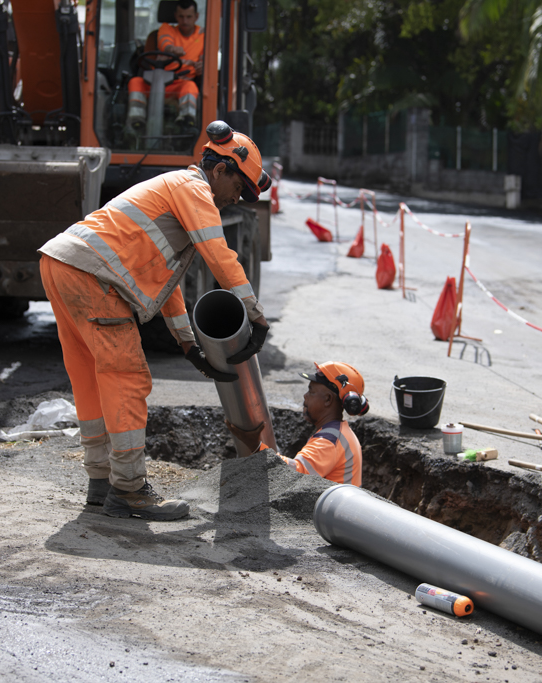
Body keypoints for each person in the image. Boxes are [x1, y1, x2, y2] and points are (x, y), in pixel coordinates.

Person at [38, 120, 272, 521]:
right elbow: (219, 254)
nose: (238, 199)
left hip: (62, 264)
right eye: (239, 188)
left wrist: (187, 343)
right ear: (219, 171)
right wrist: (256, 315)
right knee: (128, 377)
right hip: (94, 278)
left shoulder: (173, 192)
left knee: (92, 376)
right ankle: (128, 490)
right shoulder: (194, 189)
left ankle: (100, 482)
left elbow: (167, 284)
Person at [227, 362, 368, 486]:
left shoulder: (329, 440)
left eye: (311, 391)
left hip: (330, 516)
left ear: (328, 399)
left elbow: (293, 476)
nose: (305, 396)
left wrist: (255, 445)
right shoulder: (339, 433)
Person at [126, 0, 204, 130]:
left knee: (190, 87)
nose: (184, 21)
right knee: (135, 82)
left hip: (180, 84)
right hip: (154, 82)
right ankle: (136, 120)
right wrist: (171, 49)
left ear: (196, 16)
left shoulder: (203, 36)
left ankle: (187, 120)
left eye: (189, 17)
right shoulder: (166, 28)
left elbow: (205, 58)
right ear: (175, 15)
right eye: (181, 16)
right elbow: (165, 42)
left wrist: (203, 66)